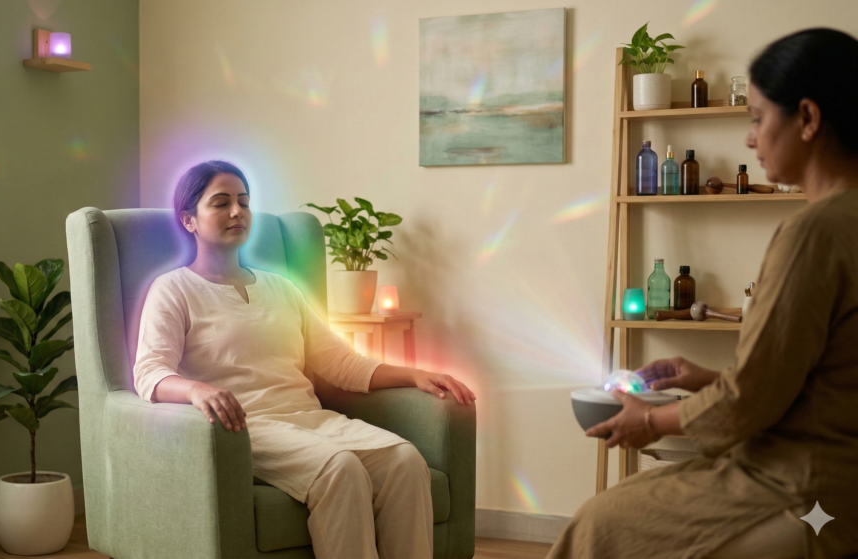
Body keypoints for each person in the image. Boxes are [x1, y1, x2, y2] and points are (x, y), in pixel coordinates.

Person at [549, 28, 858, 559]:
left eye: (757, 118)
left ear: (808, 118)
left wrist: (649, 421)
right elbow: (815, 384)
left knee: (599, 522)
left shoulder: (815, 232)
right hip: (837, 479)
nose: (750, 139)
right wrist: (708, 378)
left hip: (805, 490)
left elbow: (752, 398)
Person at [133, 160, 476, 559]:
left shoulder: (282, 288)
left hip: (310, 420)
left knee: (405, 462)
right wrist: (196, 391)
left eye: (244, 201)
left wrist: (416, 375)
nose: (237, 211)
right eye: (221, 203)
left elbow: (341, 363)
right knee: (340, 468)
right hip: (245, 427)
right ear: (188, 219)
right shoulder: (173, 289)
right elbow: (150, 372)